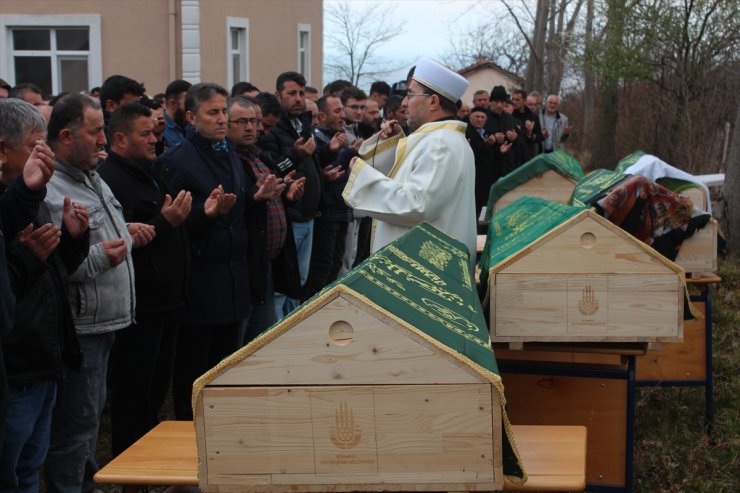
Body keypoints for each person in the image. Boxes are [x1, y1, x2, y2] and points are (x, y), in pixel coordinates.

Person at [43, 93, 155, 492]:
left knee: (87, 426)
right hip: (81, 329)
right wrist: (100, 259)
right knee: (75, 430)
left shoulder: (91, 175)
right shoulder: (52, 189)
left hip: (104, 323)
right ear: (67, 135)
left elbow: (102, 236)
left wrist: (129, 234)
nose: (103, 141)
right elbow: (56, 265)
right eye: (95, 133)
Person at [98, 102, 192, 456]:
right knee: (133, 395)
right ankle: (131, 467)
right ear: (120, 139)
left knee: (154, 391)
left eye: (155, 132)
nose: (155, 139)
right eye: (146, 134)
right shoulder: (112, 180)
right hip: (140, 308)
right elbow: (121, 241)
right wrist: (165, 222)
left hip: (166, 301)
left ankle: (150, 458)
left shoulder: (149, 170)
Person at [158, 83, 250, 420]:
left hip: (232, 277)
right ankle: (189, 425)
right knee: (195, 367)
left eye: (224, 111)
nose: (222, 119)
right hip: (200, 280)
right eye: (213, 113)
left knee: (225, 364)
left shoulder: (231, 155)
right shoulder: (176, 161)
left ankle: (221, 424)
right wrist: (206, 214)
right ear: (191, 117)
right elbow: (174, 225)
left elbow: (237, 211)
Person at [343, 58, 477, 263]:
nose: (404, 103)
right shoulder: (440, 139)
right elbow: (406, 179)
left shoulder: (441, 143)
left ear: (433, 101)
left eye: (411, 94)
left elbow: (417, 204)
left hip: (423, 267)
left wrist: (362, 177)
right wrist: (392, 146)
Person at [0, 98, 62, 481]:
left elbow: (57, 268)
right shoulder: (21, 193)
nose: (44, 156)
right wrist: (28, 259)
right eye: (34, 146)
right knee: (11, 470)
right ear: (3, 150)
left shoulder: (31, 192)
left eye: (46, 145)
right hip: (16, 362)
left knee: (29, 466)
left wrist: (75, 235)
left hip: (42, 352)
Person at [227, 96, 303, 343]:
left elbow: (271, 196)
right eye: (242, 122)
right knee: (238, 344)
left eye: (253, 121)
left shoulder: (259, 156)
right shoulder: (228, 161)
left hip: (265, 264)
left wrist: (287, 195)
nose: (251, 128)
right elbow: (239, 206)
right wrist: (257, 198)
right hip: (243, 265)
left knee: (262, 341)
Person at [163, 79, 192, 150]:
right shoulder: (160, 131)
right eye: (188, 104)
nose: (192, 109)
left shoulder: (191, 126)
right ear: (172, 104)